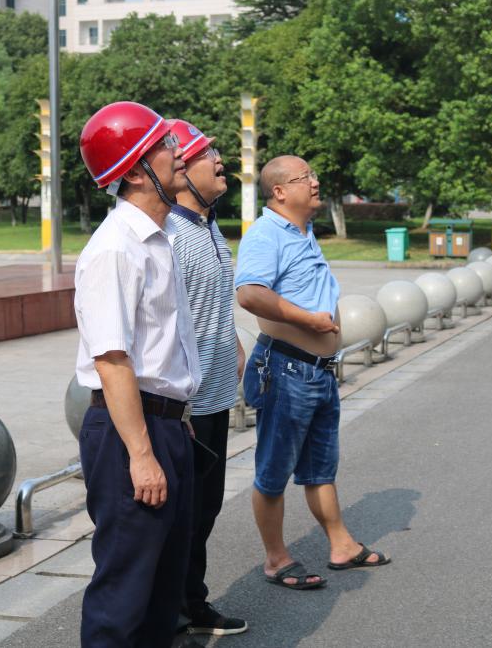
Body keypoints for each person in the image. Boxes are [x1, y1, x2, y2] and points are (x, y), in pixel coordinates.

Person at [74, 101, 203, 648]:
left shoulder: (159, 239)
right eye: (164, 145)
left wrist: (178, 420)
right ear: (134, 171)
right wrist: (143, 453)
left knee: (162, 589)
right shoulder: (115, 249)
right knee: (124, 593)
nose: (179, 153)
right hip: (130, 432)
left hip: (164, 424)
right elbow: (112, 360)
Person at [234, 155, 392, 591]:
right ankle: (276, 559)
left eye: (314, 175)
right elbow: (250, 294)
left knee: (320, 467)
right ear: (280, 191)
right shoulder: (267, 234)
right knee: (273, 471)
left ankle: (341, 545)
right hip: (286, 369)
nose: (315, 182)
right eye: (305, 177)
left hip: (317, 371)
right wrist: (308, 320)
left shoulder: (301, 231)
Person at [165, 119, 248, 636]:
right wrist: (180, 407)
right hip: (187, 407)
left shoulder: (209, 226)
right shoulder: (171, 235)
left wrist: (235, 346)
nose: (220, 162)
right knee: (182, 517)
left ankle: (191, 603)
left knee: (205, 510)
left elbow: (210, 303)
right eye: (205, 154)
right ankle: (174, 614)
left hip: (217, 396)